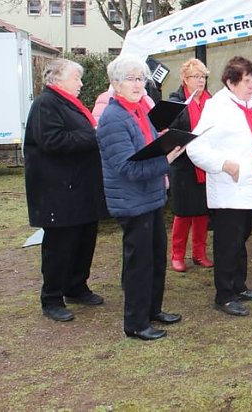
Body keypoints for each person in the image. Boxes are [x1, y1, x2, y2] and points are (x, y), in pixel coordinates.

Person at [186, 56, 252, 317]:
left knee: (241, 240)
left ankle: (239, 286)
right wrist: (224, 164)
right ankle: (224, 294)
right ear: (230, 82)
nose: (251, 85)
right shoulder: (217, 108)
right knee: (228, 243)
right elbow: (195, 147)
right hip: (231, 187)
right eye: (245, 81)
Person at [97, 55, 183, 341]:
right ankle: (135, 323)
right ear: (115, 83)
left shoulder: (138, 110)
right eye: (131, 79)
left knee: (156, 258)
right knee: (139, 264)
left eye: (141, 79)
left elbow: (145, 148)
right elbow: (125, 167)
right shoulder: (113, 118)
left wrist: (164, 140)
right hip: (132, 201)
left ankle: (152, 310)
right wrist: (166, 159)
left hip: (150, 196)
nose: (138, 84)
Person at [24, 59, 108, 322]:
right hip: (58, 190)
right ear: (57, 79)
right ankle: (52, 297)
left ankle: (76, 286)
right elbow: (52, 140)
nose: (81, 83)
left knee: (84, 239)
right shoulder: (45, 104)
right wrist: (95, 135)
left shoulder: (69, 103)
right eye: (76, 78)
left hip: (81, 187)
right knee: (60, 245)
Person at [167, 58, 213, 272]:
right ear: (185, 79)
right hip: (183, 164)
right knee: (183, 212)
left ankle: (199, 253)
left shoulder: (211, 101)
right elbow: (170, 131)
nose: (201, 81)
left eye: (203, 77)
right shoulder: (175, 101)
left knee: (203, 211)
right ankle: (177, 255)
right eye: (196, 76)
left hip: (205, 164)